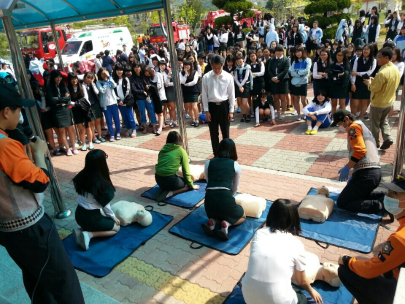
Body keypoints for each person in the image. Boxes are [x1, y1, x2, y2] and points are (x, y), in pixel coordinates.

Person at [0, 83, 85, 303]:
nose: (20, 116)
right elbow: (39, 181)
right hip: (29, 228)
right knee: (63, 281)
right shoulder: (5, 146)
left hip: (7, 229)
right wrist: (39, 154)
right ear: (6, 111)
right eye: (18, 110)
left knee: (36, 280)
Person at [338, 174, 405, 304]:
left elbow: (370, 271)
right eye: (389, 191)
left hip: (401, 291)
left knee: (346, 270)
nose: (388, 196)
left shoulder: (400, 238)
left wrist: (347, 261)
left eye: (395, 193)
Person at [242, 199, 323, 304]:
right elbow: (301, 281)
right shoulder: (296, 244)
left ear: (271, 216)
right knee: (301, 296)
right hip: (278, 301)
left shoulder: (260, 233)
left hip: (249, 297)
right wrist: (311, 291)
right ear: (293, 220)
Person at [331, 109, 385, 215]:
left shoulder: (353, 127)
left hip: (367, 174)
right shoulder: (361, 125)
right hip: (374, 172)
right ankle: (386, 197)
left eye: (340, 123)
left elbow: (360, 151)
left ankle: (379, 205)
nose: (341, 127)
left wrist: (347, 167)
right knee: (358, 195)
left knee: (343, 202)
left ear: (346, 118)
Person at [72, 149, 120, 251]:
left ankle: (80, 230)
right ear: (102, 163)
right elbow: (106, 205)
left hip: (79, 214)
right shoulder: (101, 183)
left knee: (100, 217)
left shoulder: (82, 175)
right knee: (116, 228)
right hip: (91, 218)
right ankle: (89, 235)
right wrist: (113, 217)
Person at [201, 139, 245, 240]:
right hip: (226, 198)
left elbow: (208, 182)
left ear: (219, 149)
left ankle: (212, 222)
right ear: (234, 151)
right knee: (242, 215)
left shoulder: (208, 163)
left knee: (217, 211)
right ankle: (227, 224)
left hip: (209, 202)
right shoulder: (235, 165)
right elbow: (235, 188)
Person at [364, 47, 400, 150]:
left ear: (387, 57)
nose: (377, 59)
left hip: (378, 103)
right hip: (389, 101)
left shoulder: (382, 72)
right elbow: (386, 83)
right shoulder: (394, 68)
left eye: (379, 57)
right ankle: (387, 137)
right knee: (384, 121)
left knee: (374, 124)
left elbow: (375, 88)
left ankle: (375, 143)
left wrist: (369, 83)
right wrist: (375, 80)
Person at [202, 55, 235, 156]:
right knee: (213, 133)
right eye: (214, 68)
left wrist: (231, 111)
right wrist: (206, 111)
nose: (216, 70)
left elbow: (231, 94)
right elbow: (204, 94)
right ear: (211, 66)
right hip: (211, 107)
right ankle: (216, 154)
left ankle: (226, 154)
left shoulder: (228, 77)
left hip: (224, 106)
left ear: (222, 65)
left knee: (225, 132)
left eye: (218, 68)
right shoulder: (206, 77)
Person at [155, 131, 199, 201]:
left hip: (158, 179)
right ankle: (170, 192)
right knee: (187, 182)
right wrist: (191, 185)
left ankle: (164, 189)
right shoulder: (181, 150)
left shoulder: (163, 149)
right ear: (180, 140)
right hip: (170, 180)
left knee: (175, 178)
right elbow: (186, 171)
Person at [45, 70, 78, 156]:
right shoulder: (49, 87)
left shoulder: (64, 86)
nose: (59, 79)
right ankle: (67, 149)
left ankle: (73, 147)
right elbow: (51, 100)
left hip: (65, 109)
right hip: (57, 111)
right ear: (53, 78)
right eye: (57, 77)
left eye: (60, 77)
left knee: (70, 129)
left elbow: (68, 98)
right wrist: (62, 99)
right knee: (62, 131)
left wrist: (58, 99)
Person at [67, 73, 94, 151]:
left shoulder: (82, 86)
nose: (74, 80)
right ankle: (83, 144)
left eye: (75, 78)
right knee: (81, 128)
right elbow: (68, 101)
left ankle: (90, 142)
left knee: (87, 126)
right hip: (76, 110)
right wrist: (75, 104)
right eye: (72, 79)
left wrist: (76, 103)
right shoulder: (68, 89)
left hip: (84, 109)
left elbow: (86, 98)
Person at [350, 44, 377, 120]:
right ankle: (352, 119)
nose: (365, 51)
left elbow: (369, 72)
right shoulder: (357, 59)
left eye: (368, 49)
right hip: (357, 83)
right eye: (364, 49)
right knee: (355, 103)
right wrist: (353, 83)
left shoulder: (374, 60)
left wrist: (358, 73)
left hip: (366, 82)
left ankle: (361, 119)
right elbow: (353, 72)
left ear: (371, 51)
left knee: (364, 103)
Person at [96, 67, 121, 141]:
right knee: (109, 121)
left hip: (113, 102)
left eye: (105, 73)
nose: (104, 75)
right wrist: (106, 82)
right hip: (105, 104)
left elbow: (114, 85)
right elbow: (102, 91)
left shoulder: (110, 79)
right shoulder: (99, 82)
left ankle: (118, 133)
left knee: (117, 119)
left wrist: (109, 77)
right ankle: (112, 134)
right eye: (103, 74)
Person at [266, 45, 290, 119]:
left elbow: (285, 70)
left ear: (283, 52)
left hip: (283, 81)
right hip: (274, 81)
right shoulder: (271, 60)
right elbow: (269, 70)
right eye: (277, 51)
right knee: (275, 98)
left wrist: (277, 77)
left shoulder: (286, 60)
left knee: (283, 98)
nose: (278, 53)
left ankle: (283, 112)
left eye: (280, 51)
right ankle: (278, 112)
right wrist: (273, 78)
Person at [112, 63, 136, 138]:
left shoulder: (126, 79)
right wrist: (119, 100)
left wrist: (124, 101)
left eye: (121, 70)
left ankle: (134, 130)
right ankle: (128, 129)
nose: (119, 71)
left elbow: (128, 91)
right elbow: (114, 91)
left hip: (127, 102)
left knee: (130, 117)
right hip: (120, 102)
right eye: (118, 70)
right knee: (125, 117)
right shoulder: (114, 80)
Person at [82, 71, 105, 144]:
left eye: (91, 78)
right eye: (88, 77)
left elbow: (97, 92)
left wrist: (92, 83)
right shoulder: (82, 85)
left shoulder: (93, 84)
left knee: (98, 121)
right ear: (85, 77)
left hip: (96, 104)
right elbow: (85, 97)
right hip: (89, 106)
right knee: (91, 123)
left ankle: (100, 135)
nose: (89, 79)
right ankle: (93, 137)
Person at [289, 47, 311, 121]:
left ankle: (305, 114)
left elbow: (307, 71)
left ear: (302, 52)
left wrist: (297, 73)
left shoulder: (308, 60)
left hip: (303, 83)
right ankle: (298, 114)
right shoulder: (294, 62)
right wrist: (300, 74)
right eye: (296, 52)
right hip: (294, 83)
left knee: (303, 100)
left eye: (299, 51)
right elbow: (292, 73)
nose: (298, 53)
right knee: (296, 100)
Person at [328, 49, 350, 115]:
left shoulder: (347, 64)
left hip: (343, 86)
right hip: (333, 86)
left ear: (344, 56)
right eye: (338, 55)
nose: (339, 57)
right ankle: (334, 119)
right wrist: (338, 75)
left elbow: (345, 75)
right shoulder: (332, 64)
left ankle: (343, 119)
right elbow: (329, 74)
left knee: (342, 105)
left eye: (341, 55)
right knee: (333, 104)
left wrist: (334, 75)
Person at [234, 54, 252, 123]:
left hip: (245, 85)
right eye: (238, 62)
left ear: (243, 60)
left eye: (240, 61)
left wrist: (241, 86)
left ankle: (248, 115)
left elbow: (246, 77)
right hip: (238, 86)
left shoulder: (247, 67)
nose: (239, 63)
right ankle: (244, 115)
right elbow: (235, 78)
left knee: (244, 103)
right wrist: (239, 86)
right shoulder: (236, 68)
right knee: (240, 102)